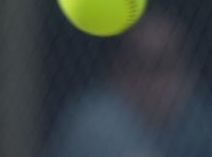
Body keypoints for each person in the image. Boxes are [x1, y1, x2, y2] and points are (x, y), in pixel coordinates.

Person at [43, 9, 212, 157]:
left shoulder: (196, 115)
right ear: (119, 71)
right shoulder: (96, 120)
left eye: (173, 63)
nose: (163, 79)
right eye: (149, 65)